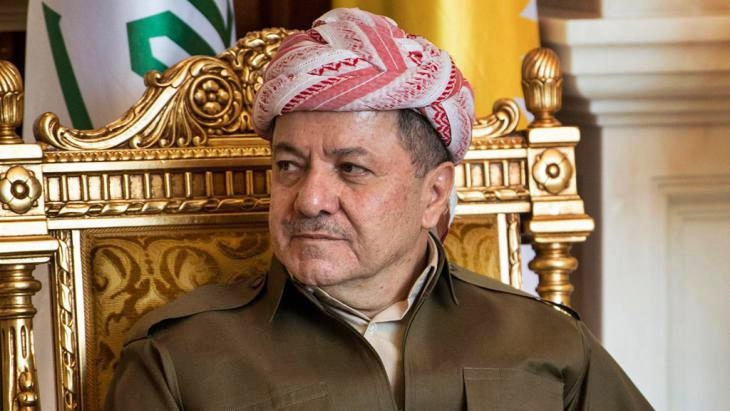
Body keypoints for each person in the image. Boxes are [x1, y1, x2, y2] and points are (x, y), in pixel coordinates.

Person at [105, 8, 651, 410]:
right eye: (289, 166)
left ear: (433, 195)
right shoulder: (176, 359)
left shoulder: (543, 339)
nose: (309, 200)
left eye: (351, 169)